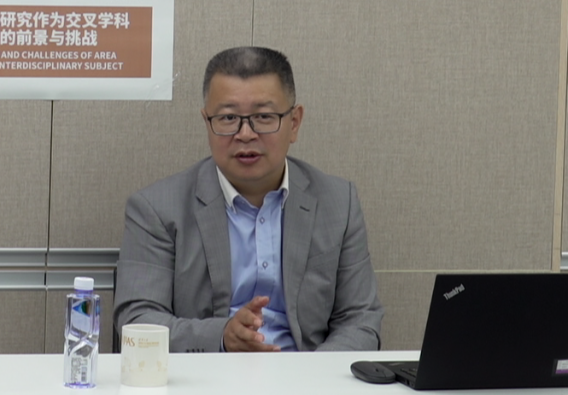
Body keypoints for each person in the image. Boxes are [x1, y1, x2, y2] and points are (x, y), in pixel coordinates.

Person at [114, 46, 383, 353]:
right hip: (205, 373)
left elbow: (360, 318)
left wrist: (312, 374)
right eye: (228, 118)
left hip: (307, 370)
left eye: (264, 117)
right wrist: (221, 337)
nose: (245, 134)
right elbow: (137, 320)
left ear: (294, 123)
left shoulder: (338, 202)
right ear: (207, 122)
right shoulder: (157, 208)